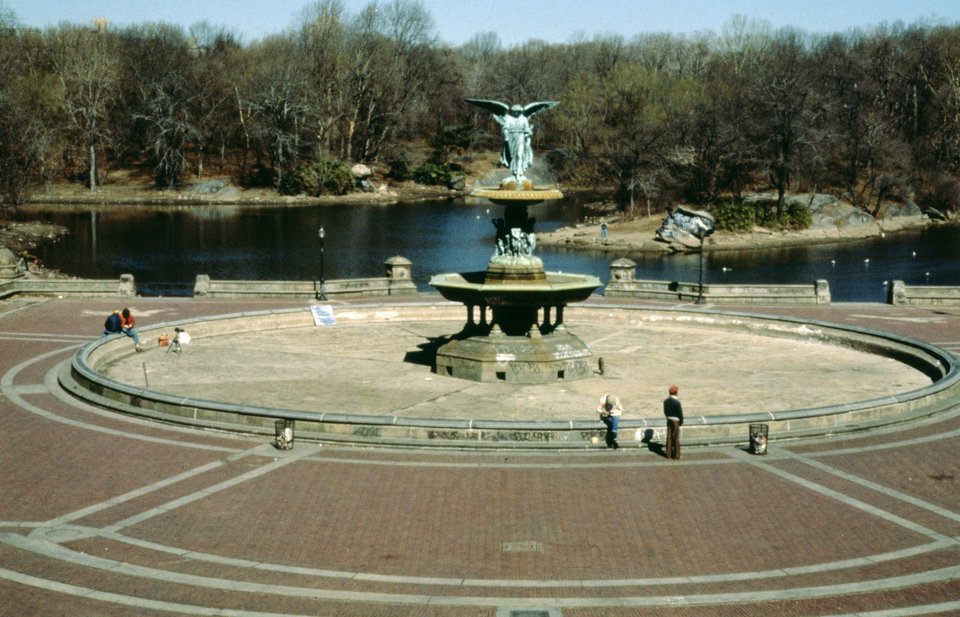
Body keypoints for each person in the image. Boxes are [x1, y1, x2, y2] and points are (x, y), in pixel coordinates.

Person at [663, 385, 684, 459]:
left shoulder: (665, 401)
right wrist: (681, 421)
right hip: (676, 421)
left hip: (669, 420)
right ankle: (677, 455)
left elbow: (665, 412)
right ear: (676, 393)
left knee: (669, 437)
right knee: (676, 438)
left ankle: (668, 454)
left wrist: (668, 418)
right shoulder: (677, 402)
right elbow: (680, 414)